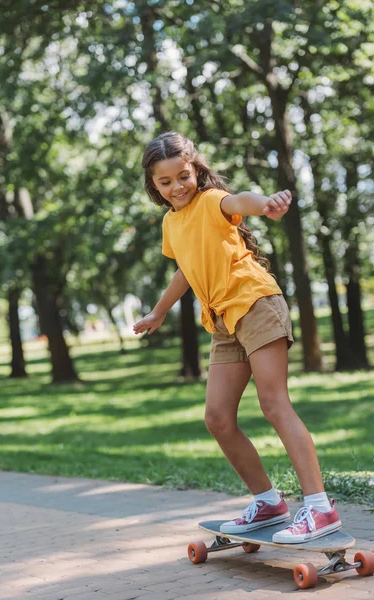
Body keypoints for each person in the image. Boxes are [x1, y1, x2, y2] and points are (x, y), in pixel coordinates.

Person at [133, 131, 342, 543]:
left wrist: (265, 206)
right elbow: (185, 269)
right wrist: (159, 311)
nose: (177, 187)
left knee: (274, 404)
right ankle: (268, 502)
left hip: (256, 302)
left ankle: (320, 509)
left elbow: (239, 201)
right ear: (153, 185)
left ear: (196, 170)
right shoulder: (172, 223)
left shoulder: (212, 201)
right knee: (217, 418)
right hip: (224, 321)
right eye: (166, 182)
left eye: (183, 176)